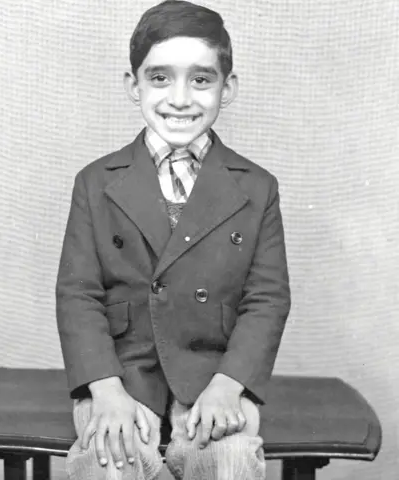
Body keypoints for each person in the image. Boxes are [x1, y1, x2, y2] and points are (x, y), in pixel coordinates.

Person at [56, 1, 291, 479]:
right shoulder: (95, 182)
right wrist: (105, 389)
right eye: (160, 78)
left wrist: (230, 385)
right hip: (122, 377)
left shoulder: (257, 187)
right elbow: (78, 293)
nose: (180, 99)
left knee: (229, 461)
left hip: (214, 377)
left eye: (201, 80)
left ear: (228, 89)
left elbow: (266, 299)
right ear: (133, 84)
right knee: (109, 463)